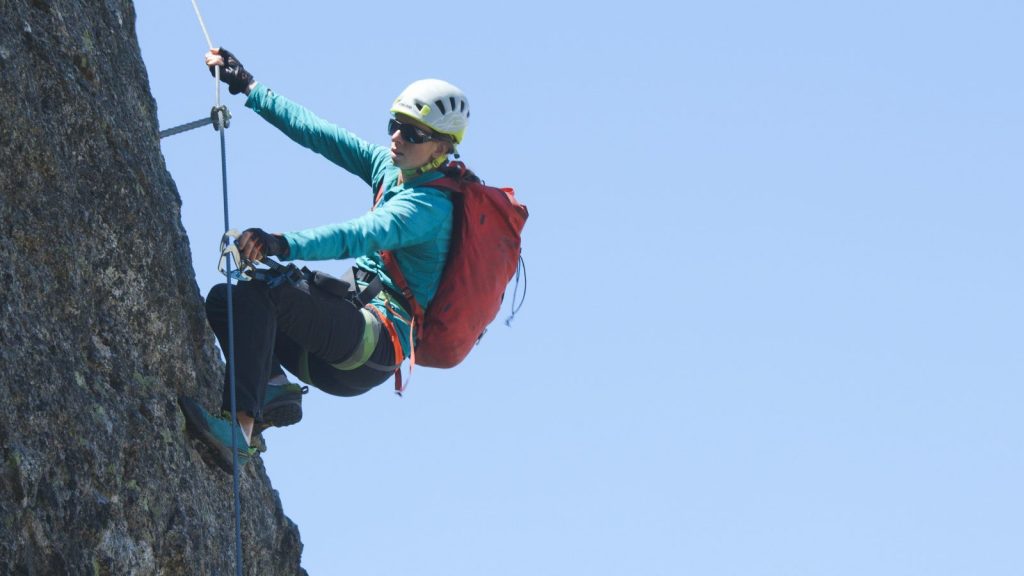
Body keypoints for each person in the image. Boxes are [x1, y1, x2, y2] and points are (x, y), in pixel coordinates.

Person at [180, 47, 470, 472]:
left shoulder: (430, 208)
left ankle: (239, 435)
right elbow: (320, 134)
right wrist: (249, 88)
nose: (397, 138)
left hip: (374, 343)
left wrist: (282, 243)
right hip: (340, 336)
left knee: (267, 293)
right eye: (394, 125)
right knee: (228, 301)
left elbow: (360, 234)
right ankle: (273, 387)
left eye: (412, 133)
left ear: (441, 147)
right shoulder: (390, 170)